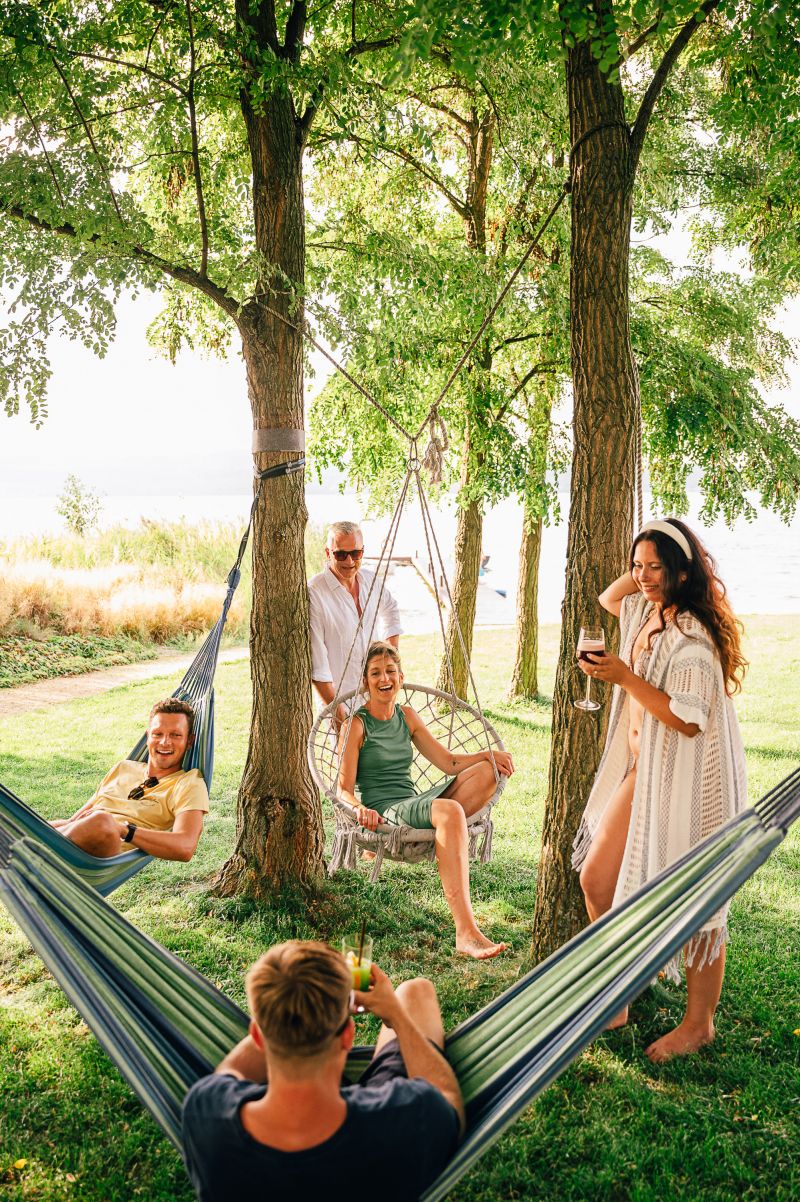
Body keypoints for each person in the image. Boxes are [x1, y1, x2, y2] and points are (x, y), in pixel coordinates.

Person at [572, 518, 747, 1062]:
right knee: (596, 877)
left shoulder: (692, 636)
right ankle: (621, 993)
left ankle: (700, 1023)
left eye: (656, 567)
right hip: (642, 773)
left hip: (689, 783)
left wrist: (623, 677)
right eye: (638, 565)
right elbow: (609, 595)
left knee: (695, 900)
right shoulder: (649, 610)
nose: (643, 577)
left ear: (683, 571)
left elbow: (689, 720)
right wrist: (651, 547)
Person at [181, 940, 464, 1202]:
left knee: (413, 992)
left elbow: (231, 1069)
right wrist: (396, 1016)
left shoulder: (206, 1114)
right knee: (414, 993)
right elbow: (447, 1095)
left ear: (257, 1035)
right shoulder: (409, 1117)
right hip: (372, 1124)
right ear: (348, 1036)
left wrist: (289, 1016)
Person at [337, 642, 514, 960]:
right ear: (365, 681)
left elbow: (449, 763)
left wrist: (488, 755)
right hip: (387, 810)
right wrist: (359, 809)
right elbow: (342, 789)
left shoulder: (407, 716)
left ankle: (447, 834)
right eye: (375, 673)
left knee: (488, 772)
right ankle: (466, 932)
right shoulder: (357, 725)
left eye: (390, 671)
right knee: (449, 811)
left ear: (401, 677)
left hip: (412, 801)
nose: (384, 678)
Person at [51, 697, 209, 862]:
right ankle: (31, 849)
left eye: (175, 735)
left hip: (93, 858)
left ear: (189, 740)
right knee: (25, 824)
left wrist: (124, 830)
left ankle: (35, 853)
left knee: (101, 820)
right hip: (70, 841)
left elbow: (185, 847)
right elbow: (74, 821)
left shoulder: (188, 783)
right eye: (158, 734)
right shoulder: (123, 768)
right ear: (148, 736)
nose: (165, 742)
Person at [309, 521, 402, 723]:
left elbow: (391, 610)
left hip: (376, 697)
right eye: (341, 554)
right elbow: (318, 666)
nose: (349, 561)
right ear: (328, 553)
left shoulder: (370, 580)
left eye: (356, 553)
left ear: (362, 551)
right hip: (340, 702)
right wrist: (338, 715)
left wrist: (390, 657)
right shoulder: (315, 592)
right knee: (343, 755)